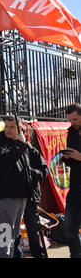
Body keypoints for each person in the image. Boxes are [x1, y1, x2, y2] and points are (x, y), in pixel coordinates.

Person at [0, 116, 44, 258]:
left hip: (22, 195)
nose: (8, 130)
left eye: (12, 127)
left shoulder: (22, 144)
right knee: (5, 232)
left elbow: (33, 166)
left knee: (14, 234)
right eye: (6, 126)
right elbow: (5, 161)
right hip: (6, 195)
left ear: (19, 128)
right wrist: (20, 145)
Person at [61, 103, 81, 258]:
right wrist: (66, 158)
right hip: (75, 187)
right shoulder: (71, 133)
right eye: (69, 119)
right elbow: (72, 161)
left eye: (74, 119)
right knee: (68, 228)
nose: (71, 123)